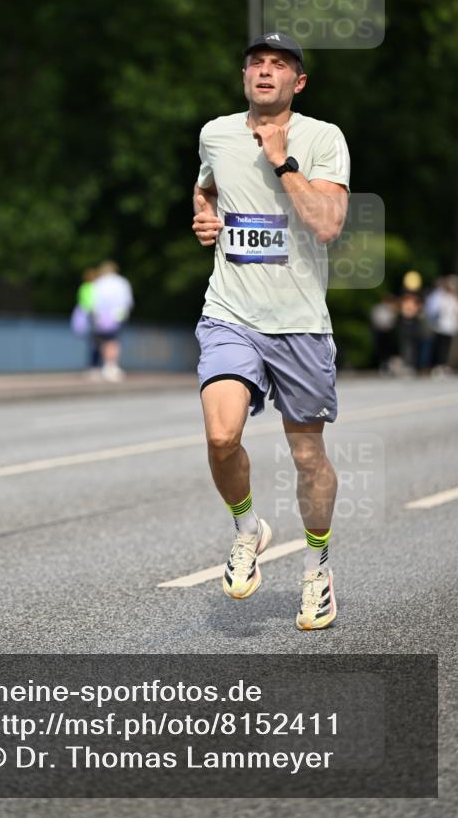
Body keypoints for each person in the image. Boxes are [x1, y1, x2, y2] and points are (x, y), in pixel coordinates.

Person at [192, 32, 350, 631]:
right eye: (256, 63)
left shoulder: (322, 138)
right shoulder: (215, 132)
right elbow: (207, 184)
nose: (264, 71)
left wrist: (282, 160)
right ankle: (246, 528)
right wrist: (204, 213)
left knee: (307, 455)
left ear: (297, 83)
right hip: (230, 311)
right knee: (221, 435)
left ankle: (317, 568)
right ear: (245, 77)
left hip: (302, 324)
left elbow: (328, 223)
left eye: (278, 65)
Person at [92, 261, 134, 382]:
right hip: (117, 315)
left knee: (104, 341)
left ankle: (106, 365)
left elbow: (94, 302)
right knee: (113, 341)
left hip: (102, 317)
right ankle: (111, 366)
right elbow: (127, 300)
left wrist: (97, 315)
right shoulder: (121, 282)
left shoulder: (98, 283)